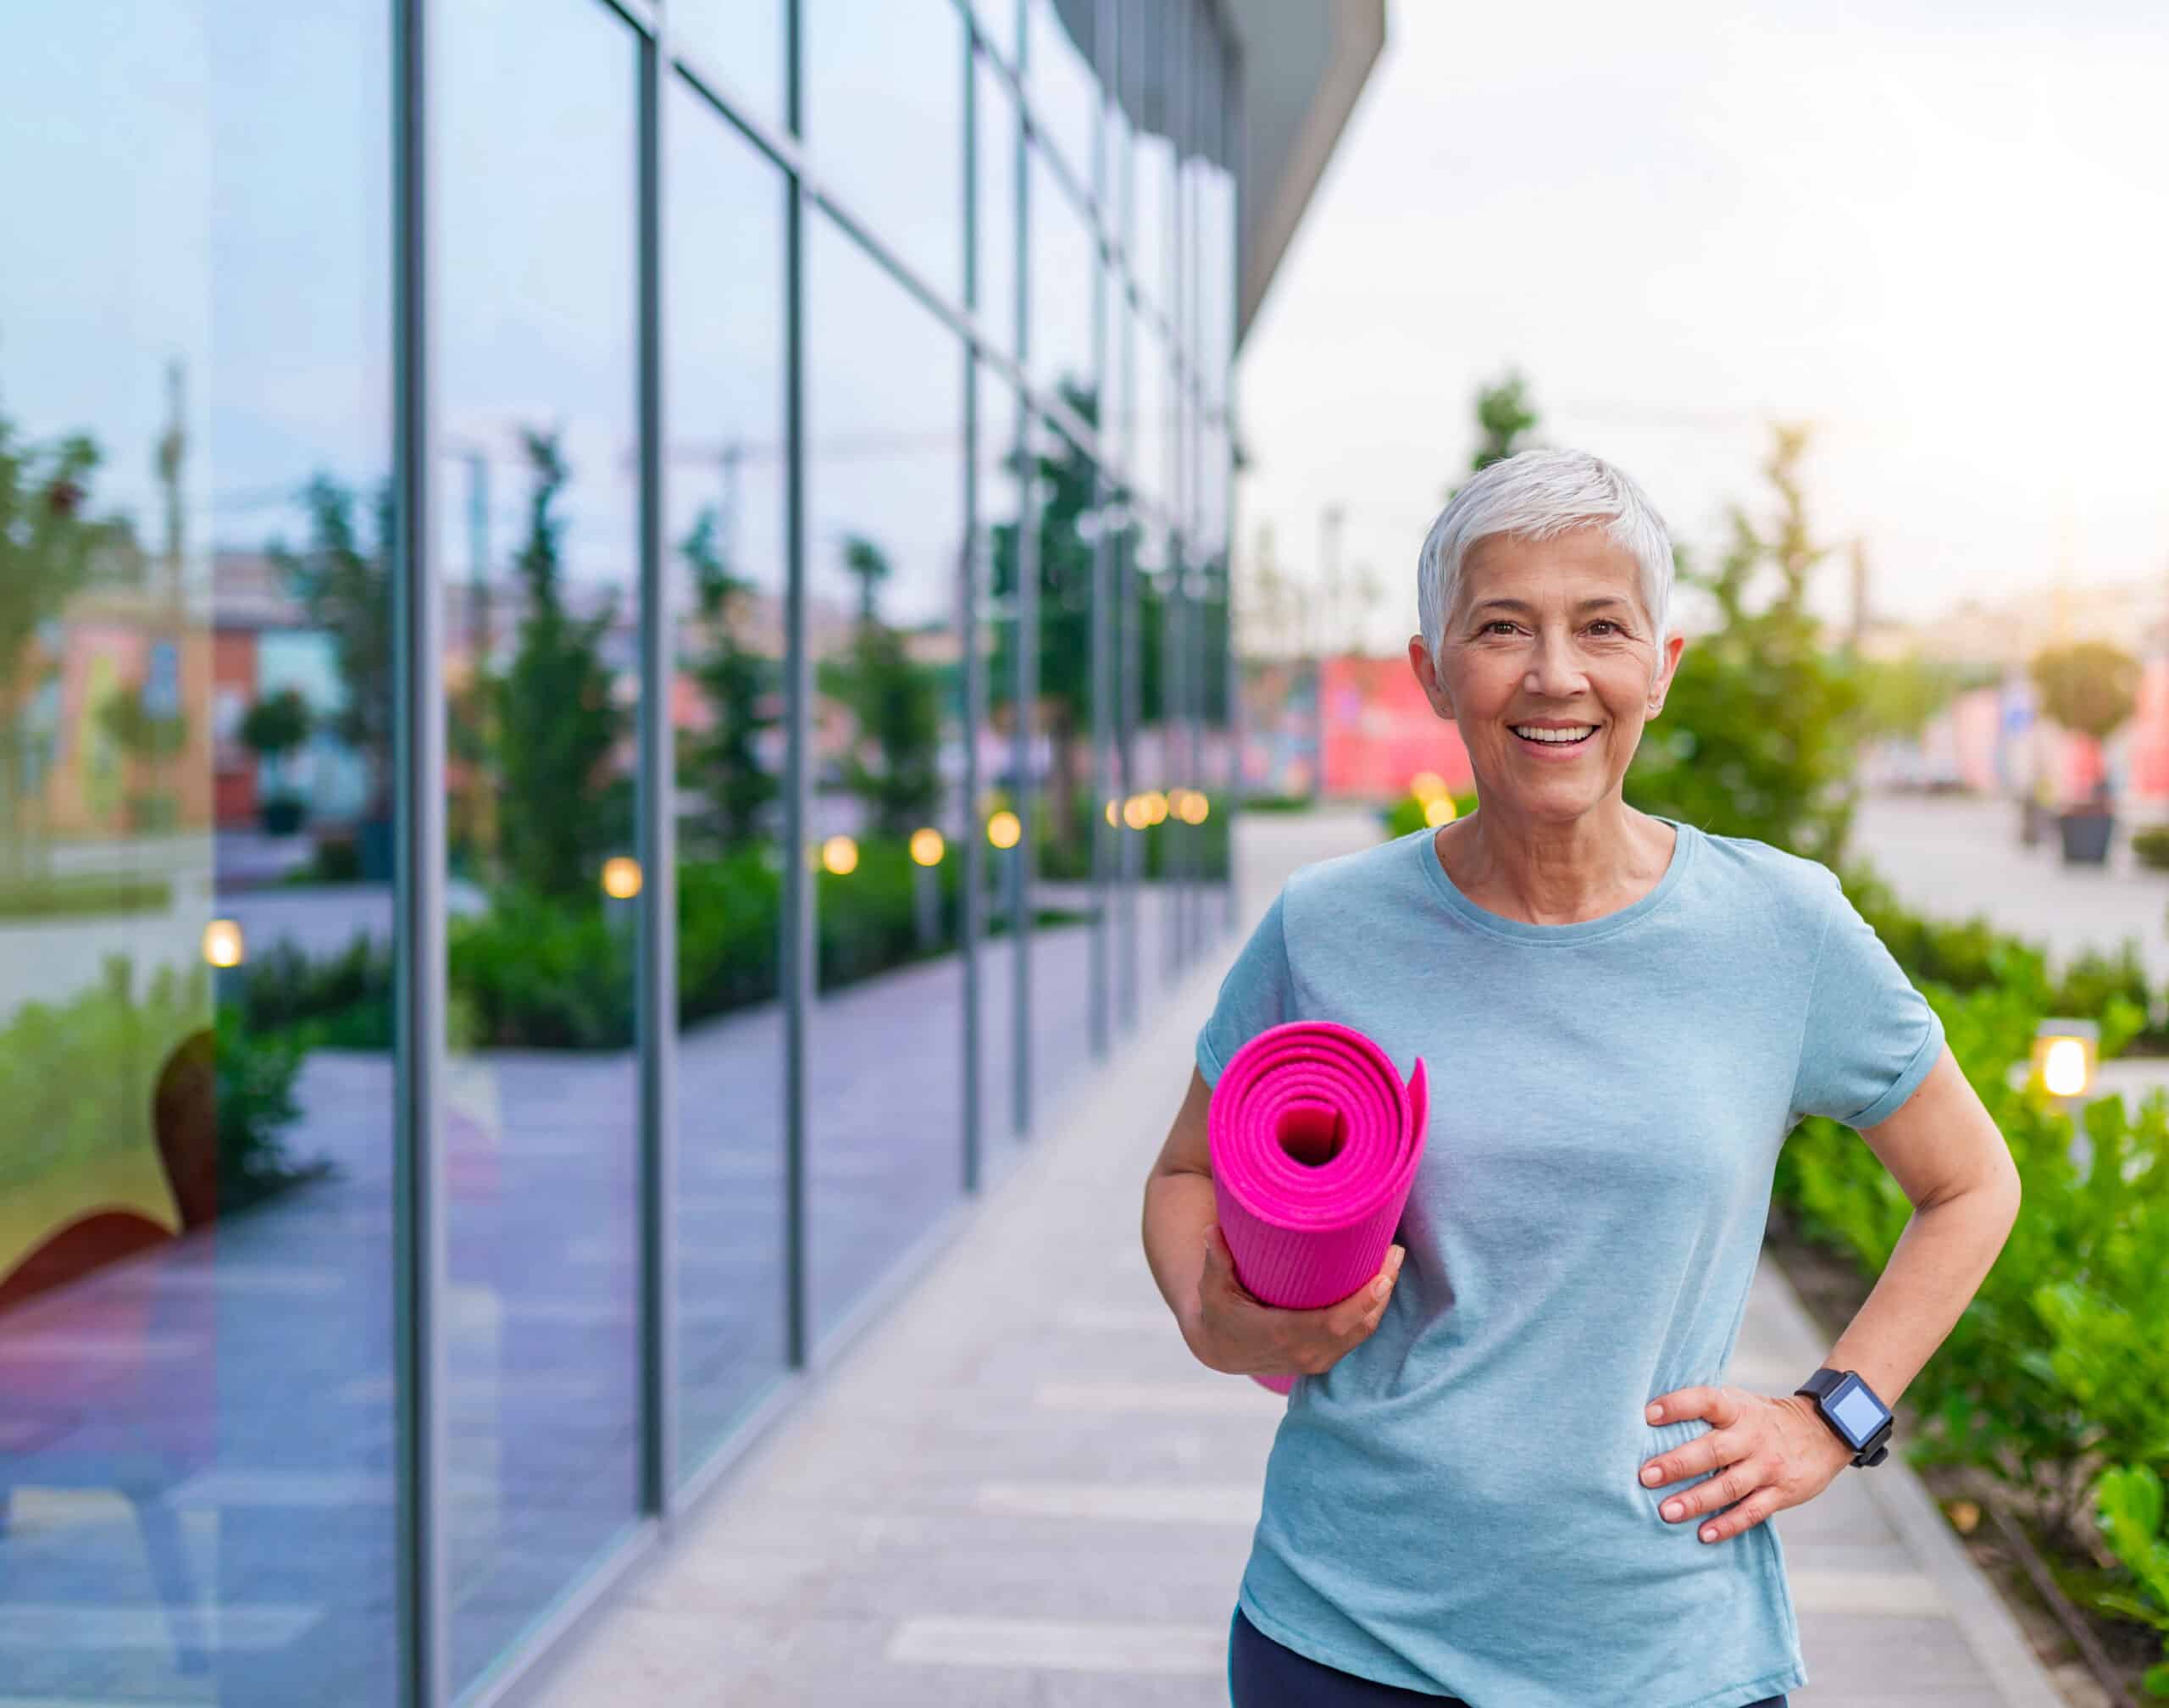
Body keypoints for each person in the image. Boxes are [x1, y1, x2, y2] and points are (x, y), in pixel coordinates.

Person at [1140, 449, 2021, 1707]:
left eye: (1600, 626)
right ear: (1434, 672)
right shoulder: (1325, 926)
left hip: (1664, 1650)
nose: (1555, 674)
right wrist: (1212, 1314)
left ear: (1660, 667)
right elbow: (1183, 1170)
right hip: (1342, 1633)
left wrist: (1834, 1415)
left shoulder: (1782, 928)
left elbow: (1972, 1183)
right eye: (1503, 627)